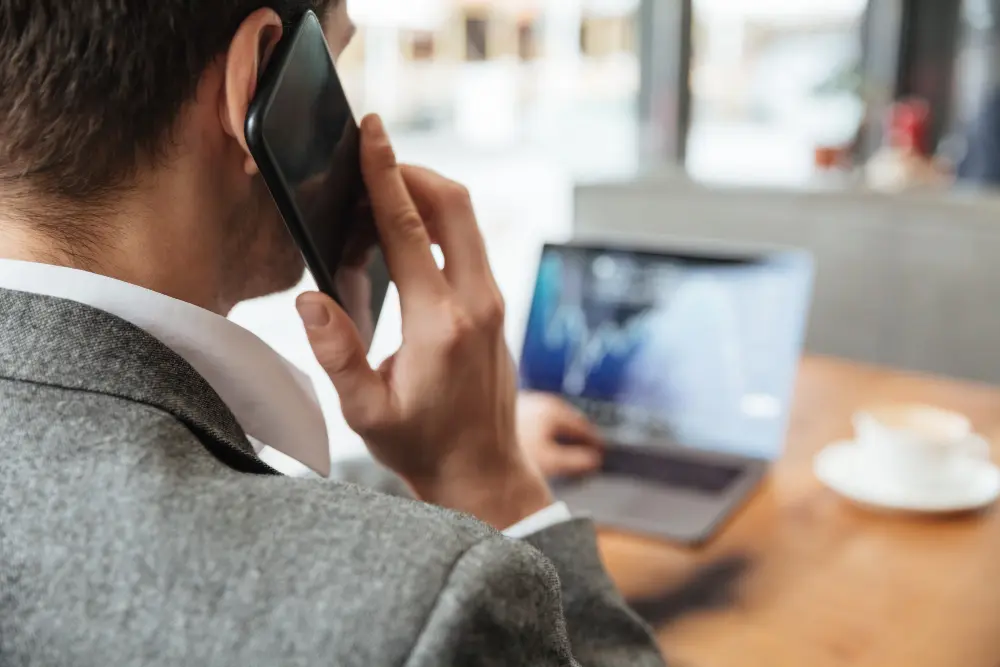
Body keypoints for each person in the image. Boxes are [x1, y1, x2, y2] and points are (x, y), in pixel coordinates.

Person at [0, 2, 665, 666]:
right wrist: (489, 479)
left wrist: (417, 465)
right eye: (335, 65)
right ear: (256, 78)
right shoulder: (436, 604)